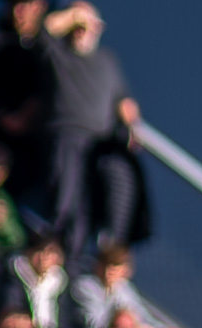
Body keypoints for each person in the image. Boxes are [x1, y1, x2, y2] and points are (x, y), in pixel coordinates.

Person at [41, 2, 142, 261]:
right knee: (65, 205)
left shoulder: (107, 61)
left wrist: (131, 126)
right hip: (66, 138)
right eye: (77, 27)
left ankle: (84, 260)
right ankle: (56, 256)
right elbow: (43, 30)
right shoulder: (58, 53)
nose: (82, 32)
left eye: (88, 27)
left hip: (99, 145)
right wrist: (75, 14)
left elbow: (123, 99)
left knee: (97, 206)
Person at [0, 0, 52, 205]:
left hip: (41, 143)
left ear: (40, 7)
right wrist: (6, 116)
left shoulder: (47, 47)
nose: (18, 12)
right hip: (5, 139)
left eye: (26, 4)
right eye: (14, 5)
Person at [0, 232, 75, 328]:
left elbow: (66, 323)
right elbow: (11, 311)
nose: (43, 258)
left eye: (50, 254)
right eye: (39, 252)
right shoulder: (14, 278)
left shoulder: (61, 284)